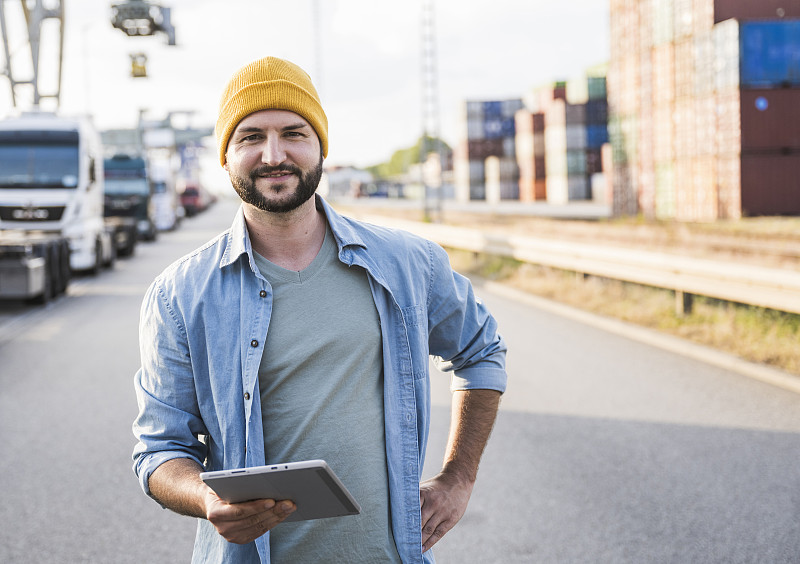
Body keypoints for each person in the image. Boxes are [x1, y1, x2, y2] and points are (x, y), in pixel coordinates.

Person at [132, 56, 507, 564]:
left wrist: (458, 478)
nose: (273, 154)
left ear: (320, 147)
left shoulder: (407, 263)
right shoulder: (179, 295)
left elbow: (481, 350)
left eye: (293, 132)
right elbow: (159, 450)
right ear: (224, 156)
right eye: (249, 137)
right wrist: (206, 498)